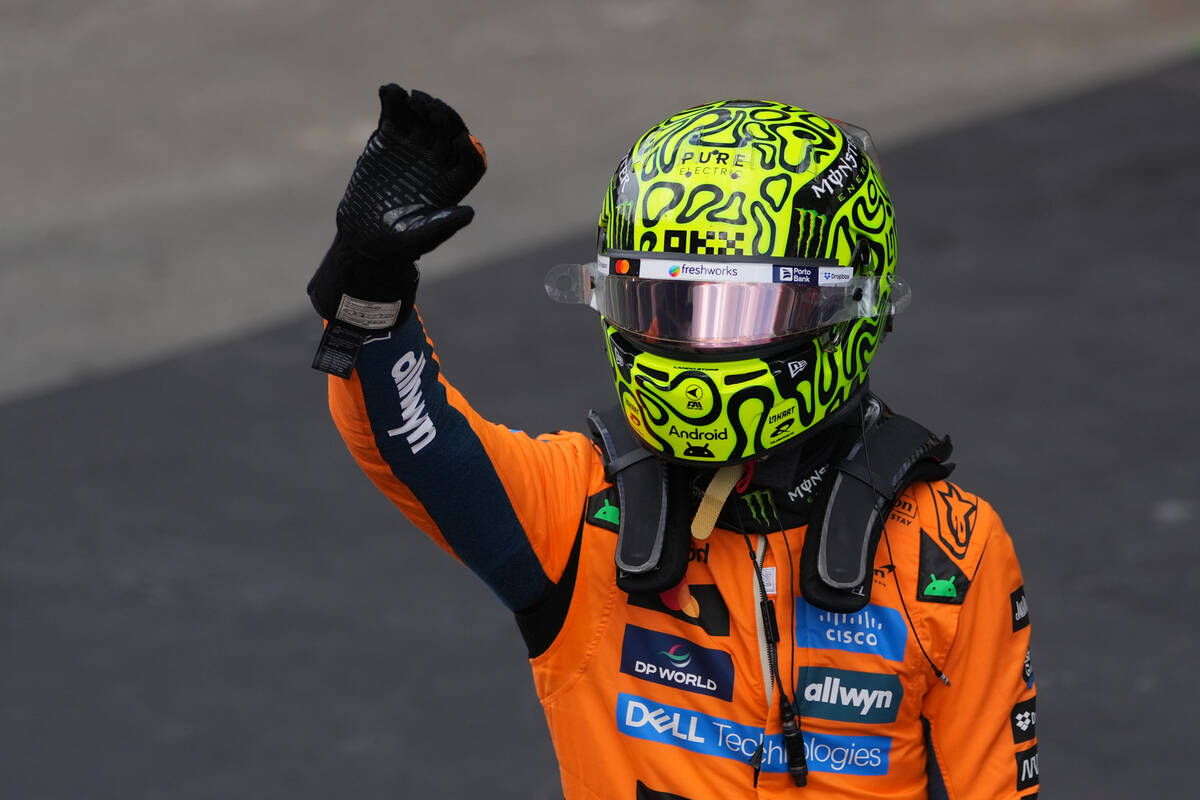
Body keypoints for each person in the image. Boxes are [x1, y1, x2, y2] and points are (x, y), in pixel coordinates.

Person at [307, 85, 1040, 800]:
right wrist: (368, 286)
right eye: (662, 304)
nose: (693, 346)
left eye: (734, 309)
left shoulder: (950, 548)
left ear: (850, 304)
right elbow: (413, 443)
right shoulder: (585, 515)